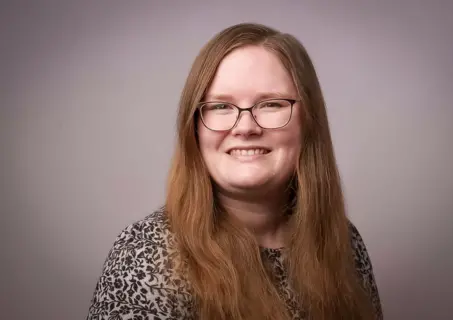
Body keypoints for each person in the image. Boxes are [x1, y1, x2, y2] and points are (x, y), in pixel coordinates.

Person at [87, 23, 383, 320]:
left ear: (308, 121)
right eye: (220, 106)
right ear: (194, 128)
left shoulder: (344, 243)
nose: (245, 127)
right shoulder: (148, 254)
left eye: (271, 104)